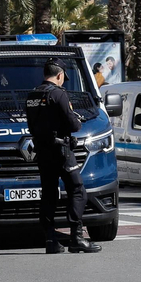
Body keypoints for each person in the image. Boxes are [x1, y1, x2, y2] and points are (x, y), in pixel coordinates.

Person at [24, 62, 100, 255]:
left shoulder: (32, 96)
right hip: (61, 151)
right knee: (77, 190)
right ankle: (77, 237)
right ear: (60, 76)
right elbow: (74, 124)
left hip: (42, 151)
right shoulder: (59, 94)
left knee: (49, 194)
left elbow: (32, 125)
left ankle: (51, 240)